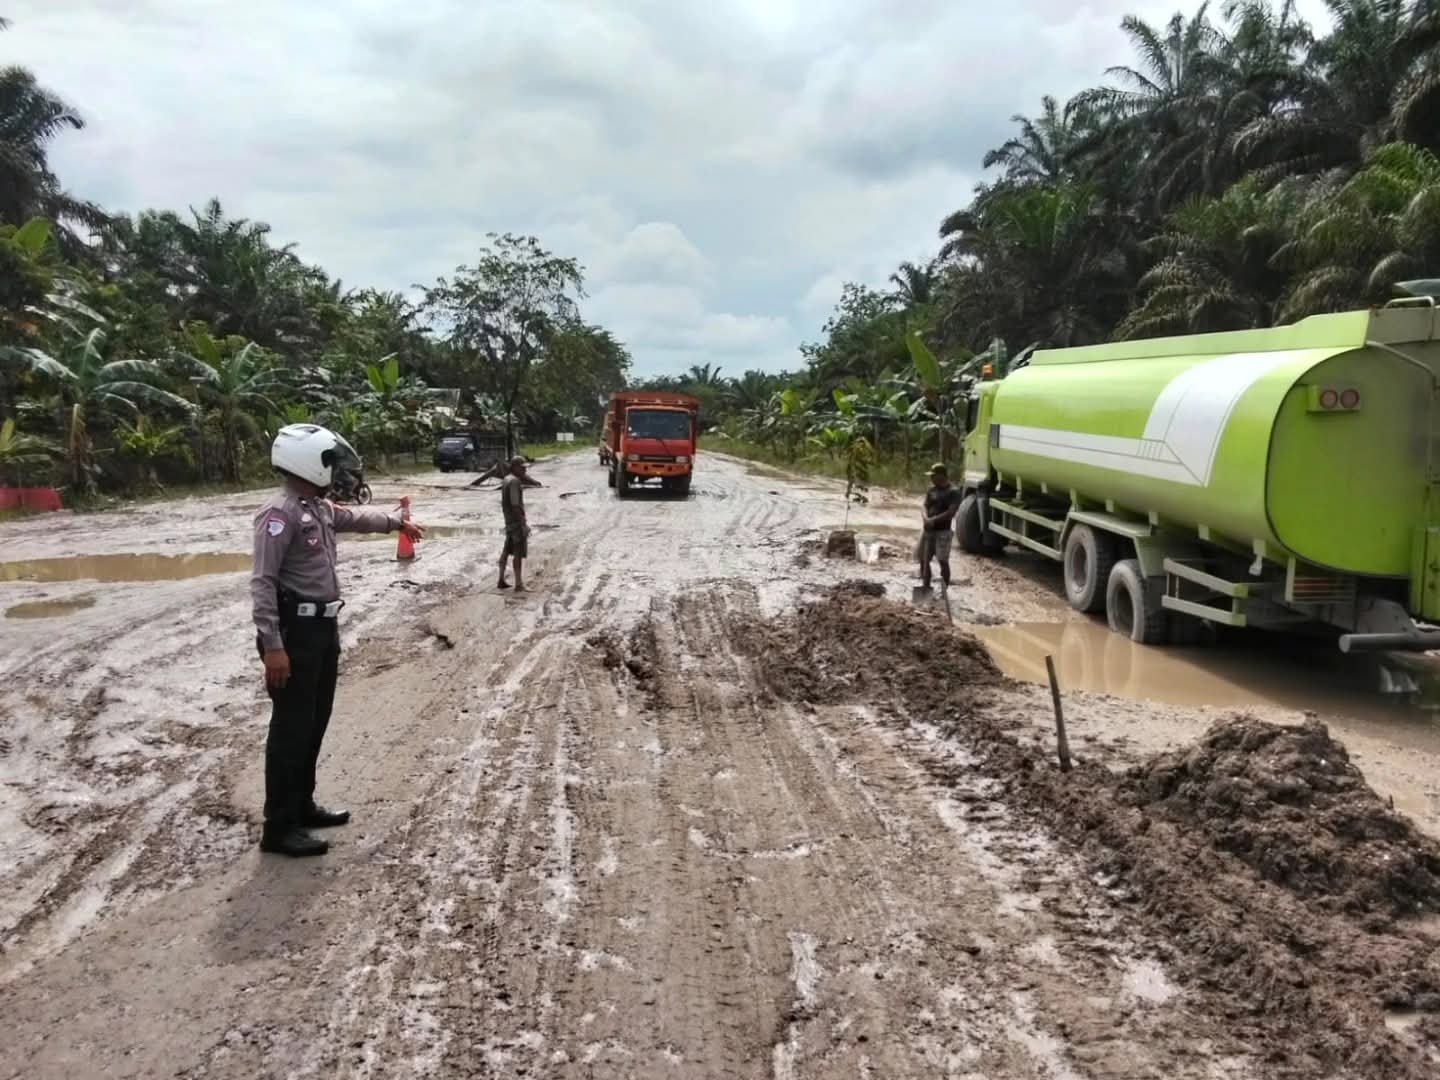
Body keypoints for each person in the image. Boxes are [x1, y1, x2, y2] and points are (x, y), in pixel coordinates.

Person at [250, 424, 424, 858]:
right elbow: (263, 583)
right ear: (306, 461)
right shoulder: (279, 514)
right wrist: (273, 645)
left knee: (314, 721)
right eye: (328, 461)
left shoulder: (317, 507)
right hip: (294, 634)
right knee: (290, 729)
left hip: (323, 630)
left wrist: (397, 522)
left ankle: (302, 806)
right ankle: (279, 827)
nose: (334, 470)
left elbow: (357, 518)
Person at [919, 462, 963, 592]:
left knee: (942, 560)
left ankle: (944, 591)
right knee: (924, 559)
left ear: (941, 476)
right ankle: (926, 587)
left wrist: (933, 520)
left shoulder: (953, 492)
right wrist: (926, 518)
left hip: (943, 532)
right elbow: (924, 506)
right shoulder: (931, 489)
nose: (931, 478)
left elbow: (951, 512)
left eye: (933, 476)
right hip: (928, 530)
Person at [497, 455, 532, 591]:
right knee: (517, 552)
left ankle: (501, 579)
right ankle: (519, 583)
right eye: (522, 468)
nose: (525, 471)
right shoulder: (515, 482)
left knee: (506, 550)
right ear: (515, 467)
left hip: (508, 521)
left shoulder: (506, 479)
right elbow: (515, 504)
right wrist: (523, 523)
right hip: (515, 522)